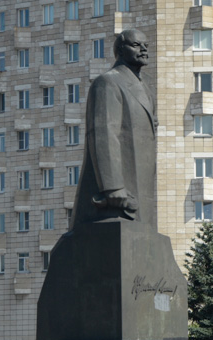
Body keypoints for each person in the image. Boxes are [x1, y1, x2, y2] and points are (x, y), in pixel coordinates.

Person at [71, 29, 158, 229]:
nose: (144, 49)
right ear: (120, 49)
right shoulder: (108, 82)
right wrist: (113, 186)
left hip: (141, 182)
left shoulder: (147, 87)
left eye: (146, 45)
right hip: (117, 192)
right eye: (136, 45)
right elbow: (103, 133)